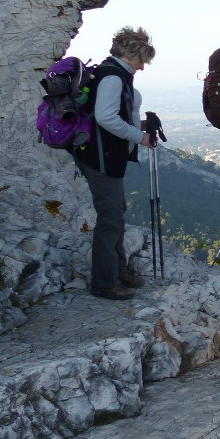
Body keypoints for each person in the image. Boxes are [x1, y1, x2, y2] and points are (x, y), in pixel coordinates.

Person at [73, 26, 157, 299]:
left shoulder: (112, 72)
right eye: (141, 60)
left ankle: (117, 271)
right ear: (131, 55)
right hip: (101, 156)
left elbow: (112, 113)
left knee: (116, 210)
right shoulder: (112, 77)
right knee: (110, 216)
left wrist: (142, 124)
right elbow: (106, 118)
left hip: (105, 155)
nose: (143, 67)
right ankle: (105, 283)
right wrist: (140, 136)